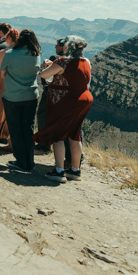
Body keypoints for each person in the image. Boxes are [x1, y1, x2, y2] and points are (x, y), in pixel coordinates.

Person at [34, 36, 93, 183]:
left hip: (64, 100)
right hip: (84, 99)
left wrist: (49, 65)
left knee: (58, 133)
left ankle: (59, 171)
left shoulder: (62, 61)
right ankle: (75, 170)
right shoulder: (86, 62)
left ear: (68, 47)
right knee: (75, 134)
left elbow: (44, 75)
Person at [0, 28, 42, 172]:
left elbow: (2, 75)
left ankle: (21, 161)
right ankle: (30, 161)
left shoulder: (10, 54)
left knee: (15, 129)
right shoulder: (36, 55)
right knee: (28, 129)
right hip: (31, 96)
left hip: (13, 96)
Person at [35, 38, 66, 153]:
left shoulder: (55, 58)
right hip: (65, 95)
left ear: (62, 47)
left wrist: (45, 68)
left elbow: (47, 77)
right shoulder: (75, 59)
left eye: (57, 45)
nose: (55, 47)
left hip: (51, 92)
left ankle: (44, 144)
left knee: (43, 115)